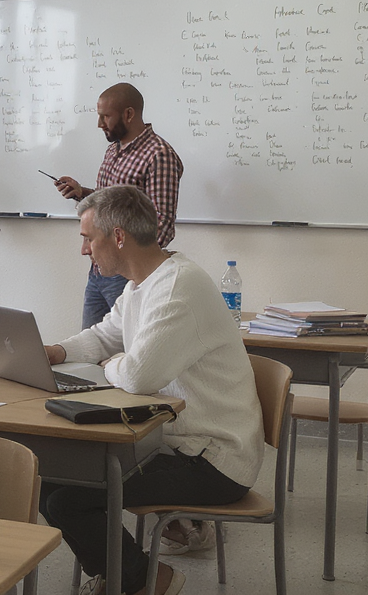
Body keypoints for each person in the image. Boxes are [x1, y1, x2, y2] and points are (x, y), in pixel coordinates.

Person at [40, 185, 263, 595]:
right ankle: (128, 575)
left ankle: (147, 581)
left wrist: (113, 366)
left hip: (214, 459)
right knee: (51, 477)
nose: (84, 250)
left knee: (67, 500)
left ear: (119, 236)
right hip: (173, 443)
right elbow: (107, 335)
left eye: (89, 238)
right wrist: (56, 351)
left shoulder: (179, 286)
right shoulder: (141, 284)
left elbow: (139, 375)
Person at [52, 83, 184, 329]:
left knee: (128, 350)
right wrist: (83, 193)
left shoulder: (159, 155)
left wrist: (125, 259)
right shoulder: (113, 150)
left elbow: (162, 224)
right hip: (99, 268)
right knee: (90, 348)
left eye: (105, 116)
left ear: (129, 114)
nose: (100, 124)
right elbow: (110, 202)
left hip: (125, 274)